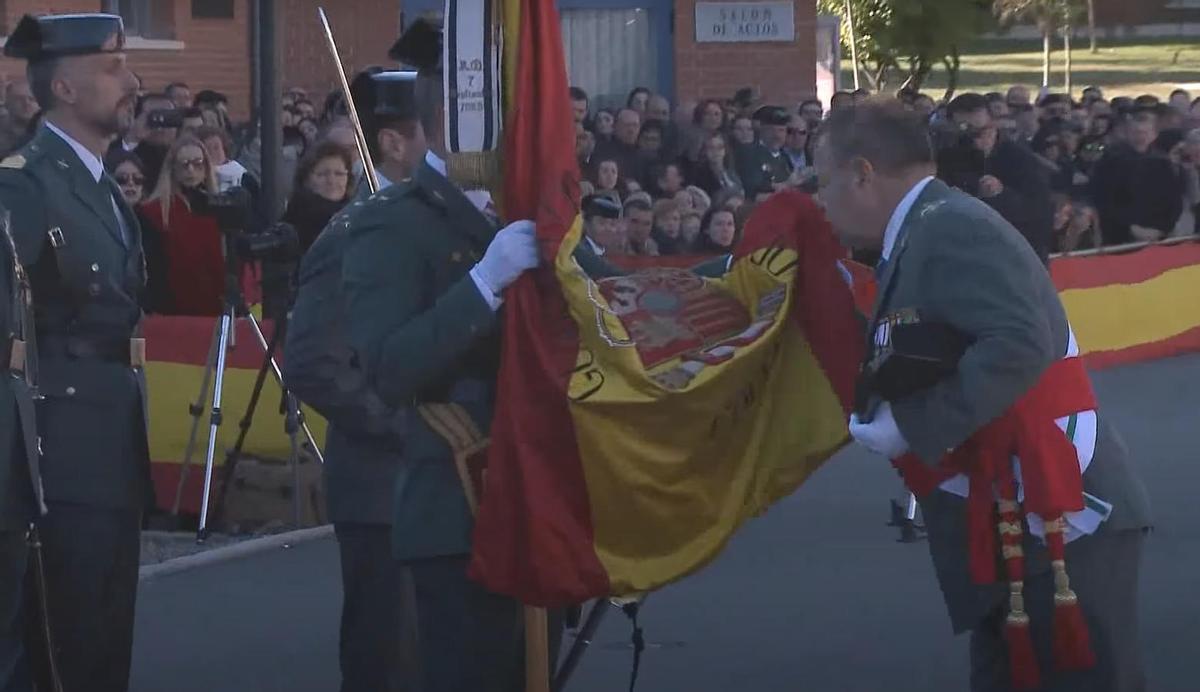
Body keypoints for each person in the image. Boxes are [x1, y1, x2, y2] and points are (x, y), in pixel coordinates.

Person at [817, 98, 1150, 692]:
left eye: (825, 182)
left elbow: (1022, 343)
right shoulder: (929, 224)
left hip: (1061, 511)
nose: (822, 201)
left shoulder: (950, 225)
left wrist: (914, 424)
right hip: (1017, 505)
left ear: (862, 173)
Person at [344, 19, 556, 691]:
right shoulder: (392, 222)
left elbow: (611, 297)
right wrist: (484, 285)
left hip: (538, 498)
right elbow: (389, 365)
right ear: (458, 122)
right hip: (457, 504)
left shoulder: (528, 209)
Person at [0, 14, 150, 692]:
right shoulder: (26, 184)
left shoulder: (97, 184)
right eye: (112, 66)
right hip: (56, 451)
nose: (131, 80)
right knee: (64, 649)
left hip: (109, 440)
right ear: (64, 84)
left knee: (104, 641)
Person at [285, 68, 429, 692]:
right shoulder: (356, 235)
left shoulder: (431, 223)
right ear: (394, 144)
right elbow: (315, 362)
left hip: (437, 488)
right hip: (383, 488)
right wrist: (408, 426)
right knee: (387, 664)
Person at [938, 93, 1055, 262]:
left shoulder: (1020, 158)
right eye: (966, 133)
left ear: (993, 124)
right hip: (966, 253)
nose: (976, 141)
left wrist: (1002, 194)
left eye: (981, 132)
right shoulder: (948, 158)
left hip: (1016, 255)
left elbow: (1040, 211)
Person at [138, 134, 230, 316]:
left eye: (197, 164)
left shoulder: (220, 211)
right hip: (169, 314)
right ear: (172, 169)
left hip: (215, 311)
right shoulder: (152, 213)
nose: (191, 171)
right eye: (184, 164)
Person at [281, 140, 354, 255]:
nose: (331, 181)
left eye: (339, 174)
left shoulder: (356, 213)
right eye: (322, 174)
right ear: (306, 179)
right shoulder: (298, 220)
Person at [692, 132, 743, 199]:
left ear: (725, 150)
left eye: (720, 147)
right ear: (704, 151)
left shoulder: (731, 173)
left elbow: (741, 192)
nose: (715, 151)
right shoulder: (699, 176)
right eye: (711, 147)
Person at [0, 79, 39, 155]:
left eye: (32, 99)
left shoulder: (49, 130)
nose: (27, 104)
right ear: (7, 103)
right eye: (19, 99)